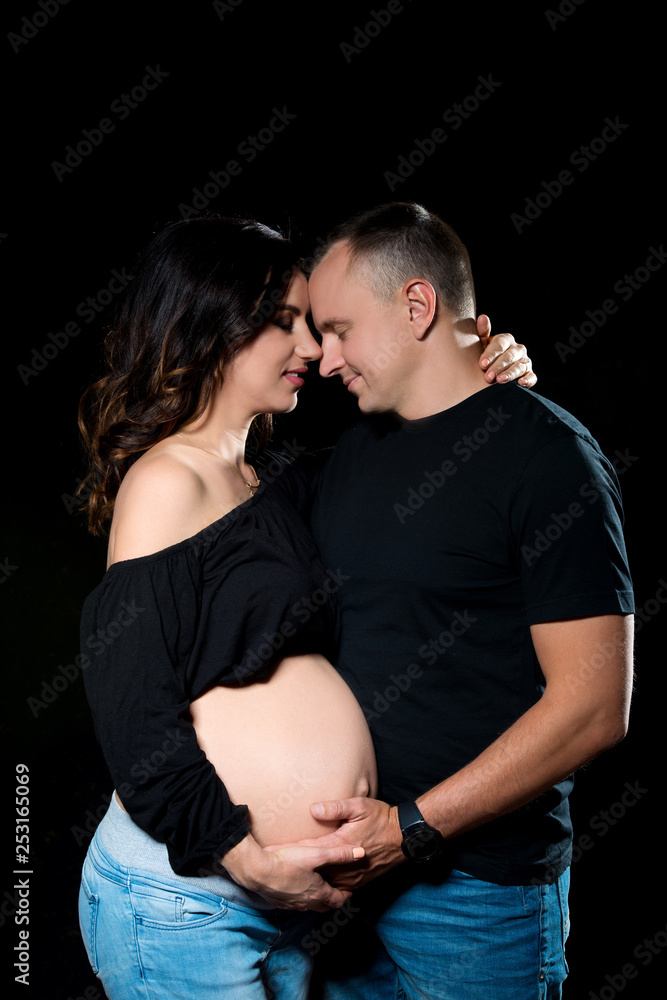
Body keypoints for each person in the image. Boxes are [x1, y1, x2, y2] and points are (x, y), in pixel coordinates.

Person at [75, 213, 532, 1000]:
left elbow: (398, 462)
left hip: (277, 911)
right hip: (187, 898)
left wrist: (478, 367)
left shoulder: (271, 478)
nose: (314, 351)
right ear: (213, 325)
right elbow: (130, 706)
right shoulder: (168, 480)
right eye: (286, 324)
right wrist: (240, 853)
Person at [288, 202, 634, 1000]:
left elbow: (593, 706)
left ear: (416, 307)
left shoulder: (547, 457)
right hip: (342, 894)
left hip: (477, 901)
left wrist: (409, 830)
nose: (324, 358)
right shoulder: (346, 454)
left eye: (339, 329)